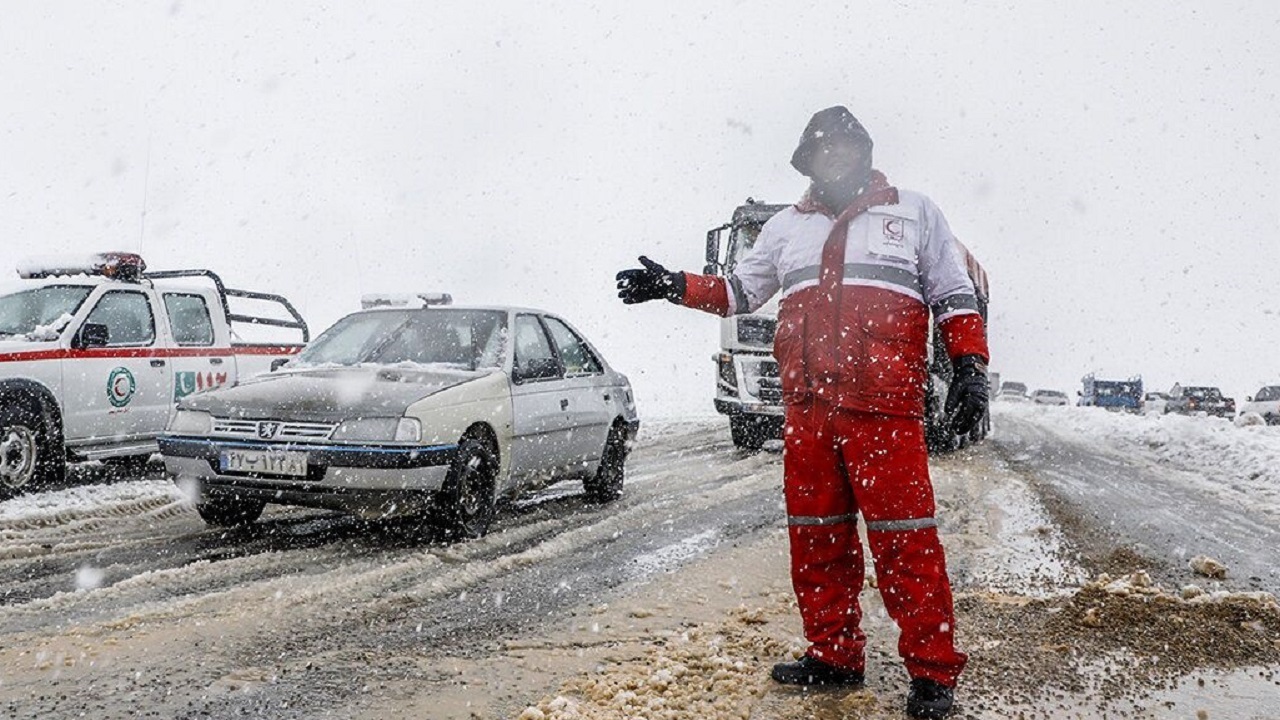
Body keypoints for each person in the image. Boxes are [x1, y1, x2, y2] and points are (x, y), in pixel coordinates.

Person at [615, 106, 989, 720]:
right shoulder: (785, 227)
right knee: (817, 540)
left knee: (905, 543)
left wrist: (970, 368)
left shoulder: (915, 212)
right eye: (823, 150)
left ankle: (932, 674)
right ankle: (834, 657)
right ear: (808, 161)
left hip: (884, 411)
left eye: (844, 146)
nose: (834, 157)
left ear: (863, 151)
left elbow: (952, 295)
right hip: (810, 412)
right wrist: (672, 285)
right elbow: (741, 291)